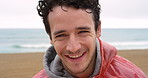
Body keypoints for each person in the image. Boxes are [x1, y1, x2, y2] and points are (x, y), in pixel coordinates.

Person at [33, 0, 146, 78]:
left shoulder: (132, 75)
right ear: (50, 37)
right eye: (61, 35)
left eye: (83, 32)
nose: (73, 48)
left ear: (98, 29)